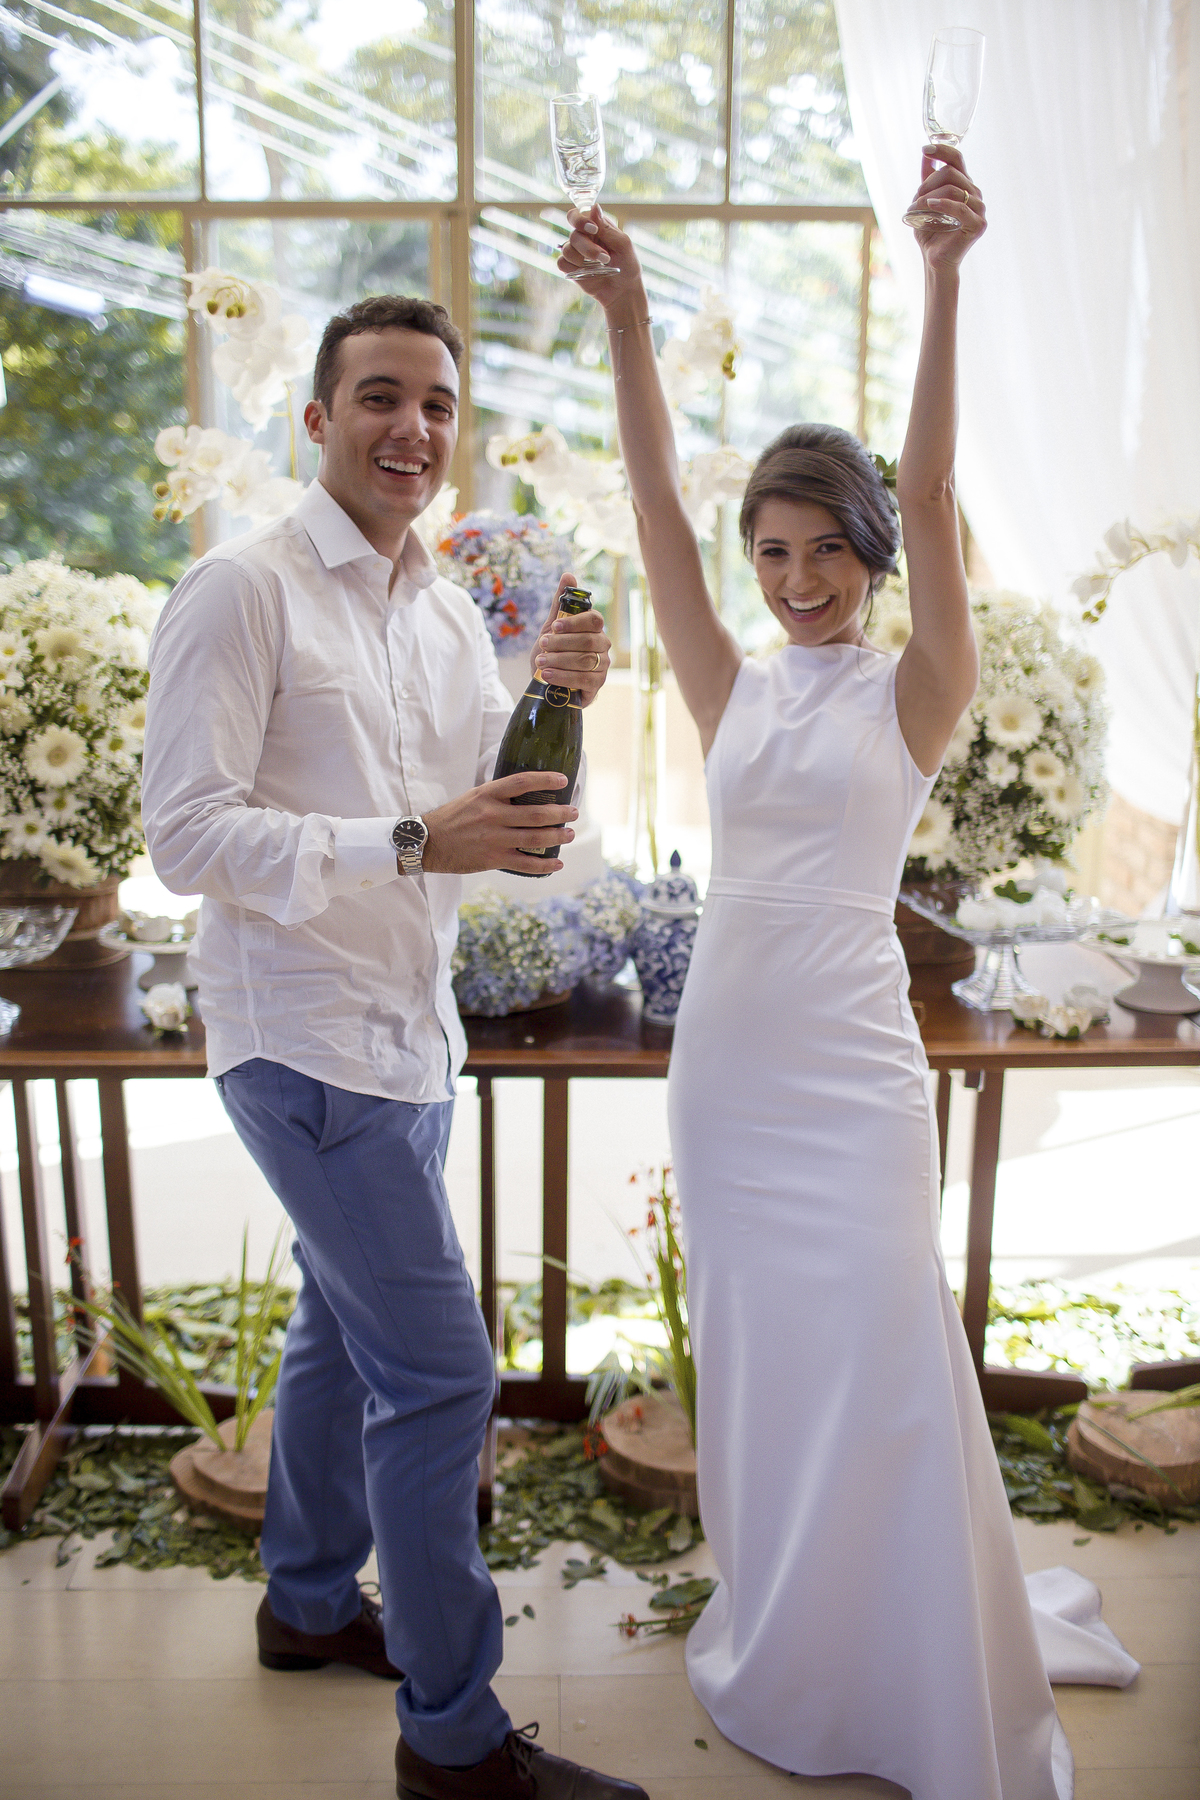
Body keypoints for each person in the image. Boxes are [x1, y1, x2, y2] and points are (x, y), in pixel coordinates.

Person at [560, 150, 1072, 1799]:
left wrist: (940, 275)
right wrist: (627, 320)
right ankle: (787, 1629)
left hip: (852, 1063)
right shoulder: (731, 683)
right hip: (731, 1058)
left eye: (819, 552)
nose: (793, 583)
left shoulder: (915, 690)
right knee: (766, 1356)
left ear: (868, 550)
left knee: (878, 1340)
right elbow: (651, 506)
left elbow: (932, 500)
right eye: (771, 554)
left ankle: (907, 1658)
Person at [141, 295, 648, 1800]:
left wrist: (548, 723)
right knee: (436, 1378)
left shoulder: (437, 606)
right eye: (378, 397)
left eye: (435, 403)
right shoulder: (240, 592)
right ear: (314, 420)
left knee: (334, 1327)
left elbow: (473, 812)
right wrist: (426, 834)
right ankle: (454, 1737)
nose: (411, 429)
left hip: (410, 1035)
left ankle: (306, 1604)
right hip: (299, 1043)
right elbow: (185, 838)